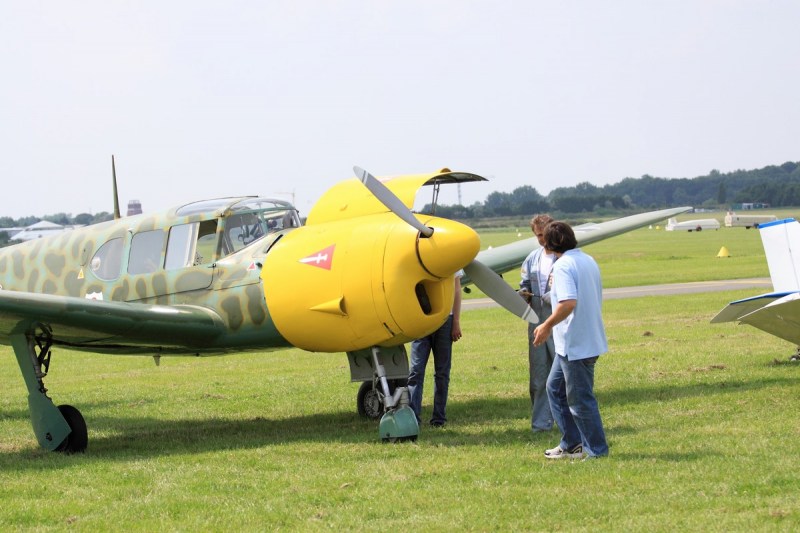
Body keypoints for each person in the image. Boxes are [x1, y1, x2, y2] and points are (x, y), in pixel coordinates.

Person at [532, 221, 609, 459]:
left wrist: (545, 325)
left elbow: (568, 303)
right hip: (580, 341)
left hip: (576, 344)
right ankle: (571, 443)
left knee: (580, 401)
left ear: (550, 242)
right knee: (554, 389)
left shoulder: (563, 266)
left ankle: (596, 451)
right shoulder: (587, 259)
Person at [407, 272, 463, 428]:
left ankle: (439, 418)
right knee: (416, 371)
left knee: (442, 372)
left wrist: (456, 322)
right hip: (421, 320)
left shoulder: (451, 257)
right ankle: (413, 419)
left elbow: (457, 290)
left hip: (446, 321)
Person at [519, 214, 556, 433]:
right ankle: (541, 425)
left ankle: (568, 421)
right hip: (537, 324)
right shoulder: (532, 258)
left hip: (560, 322)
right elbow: (524, 284)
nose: (541, 239)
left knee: (565, 376)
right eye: (537, 236)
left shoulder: (565, 258)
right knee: (538, 377)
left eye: (543, 234)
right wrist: (521, 295)